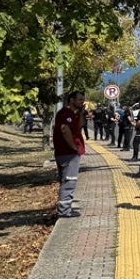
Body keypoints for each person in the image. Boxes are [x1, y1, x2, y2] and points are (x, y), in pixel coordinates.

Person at [53, 90, 86, 218]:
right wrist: (74, 147)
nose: (82, 102)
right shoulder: (65, 113)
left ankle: (64, 208)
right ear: (71, 100)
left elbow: (80, 125)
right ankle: (64, 211)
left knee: (65, 180)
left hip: (66, 153)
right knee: (69, 181)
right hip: (68, 153)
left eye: (82, 100)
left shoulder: (73, 114)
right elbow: (64, 129)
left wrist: (82, 112)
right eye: (79, 100)